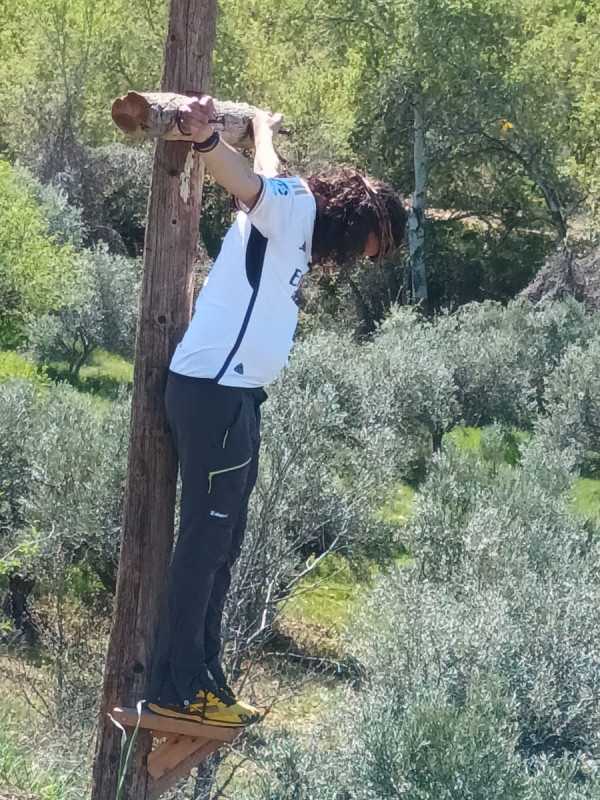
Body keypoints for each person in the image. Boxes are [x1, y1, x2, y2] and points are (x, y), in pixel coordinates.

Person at [147, 96, 407, 727]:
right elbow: (245, 181)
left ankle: (205, 679)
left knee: (225, 539)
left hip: (236, 395)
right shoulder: (296, 207)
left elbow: (266, 168)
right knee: (206, 540)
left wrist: (262, 127)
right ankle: (173, 685)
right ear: (358, 216)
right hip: (213, 389)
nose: (367, 257)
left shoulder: (291, 213)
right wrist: (208, 140)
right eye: (376, 243)